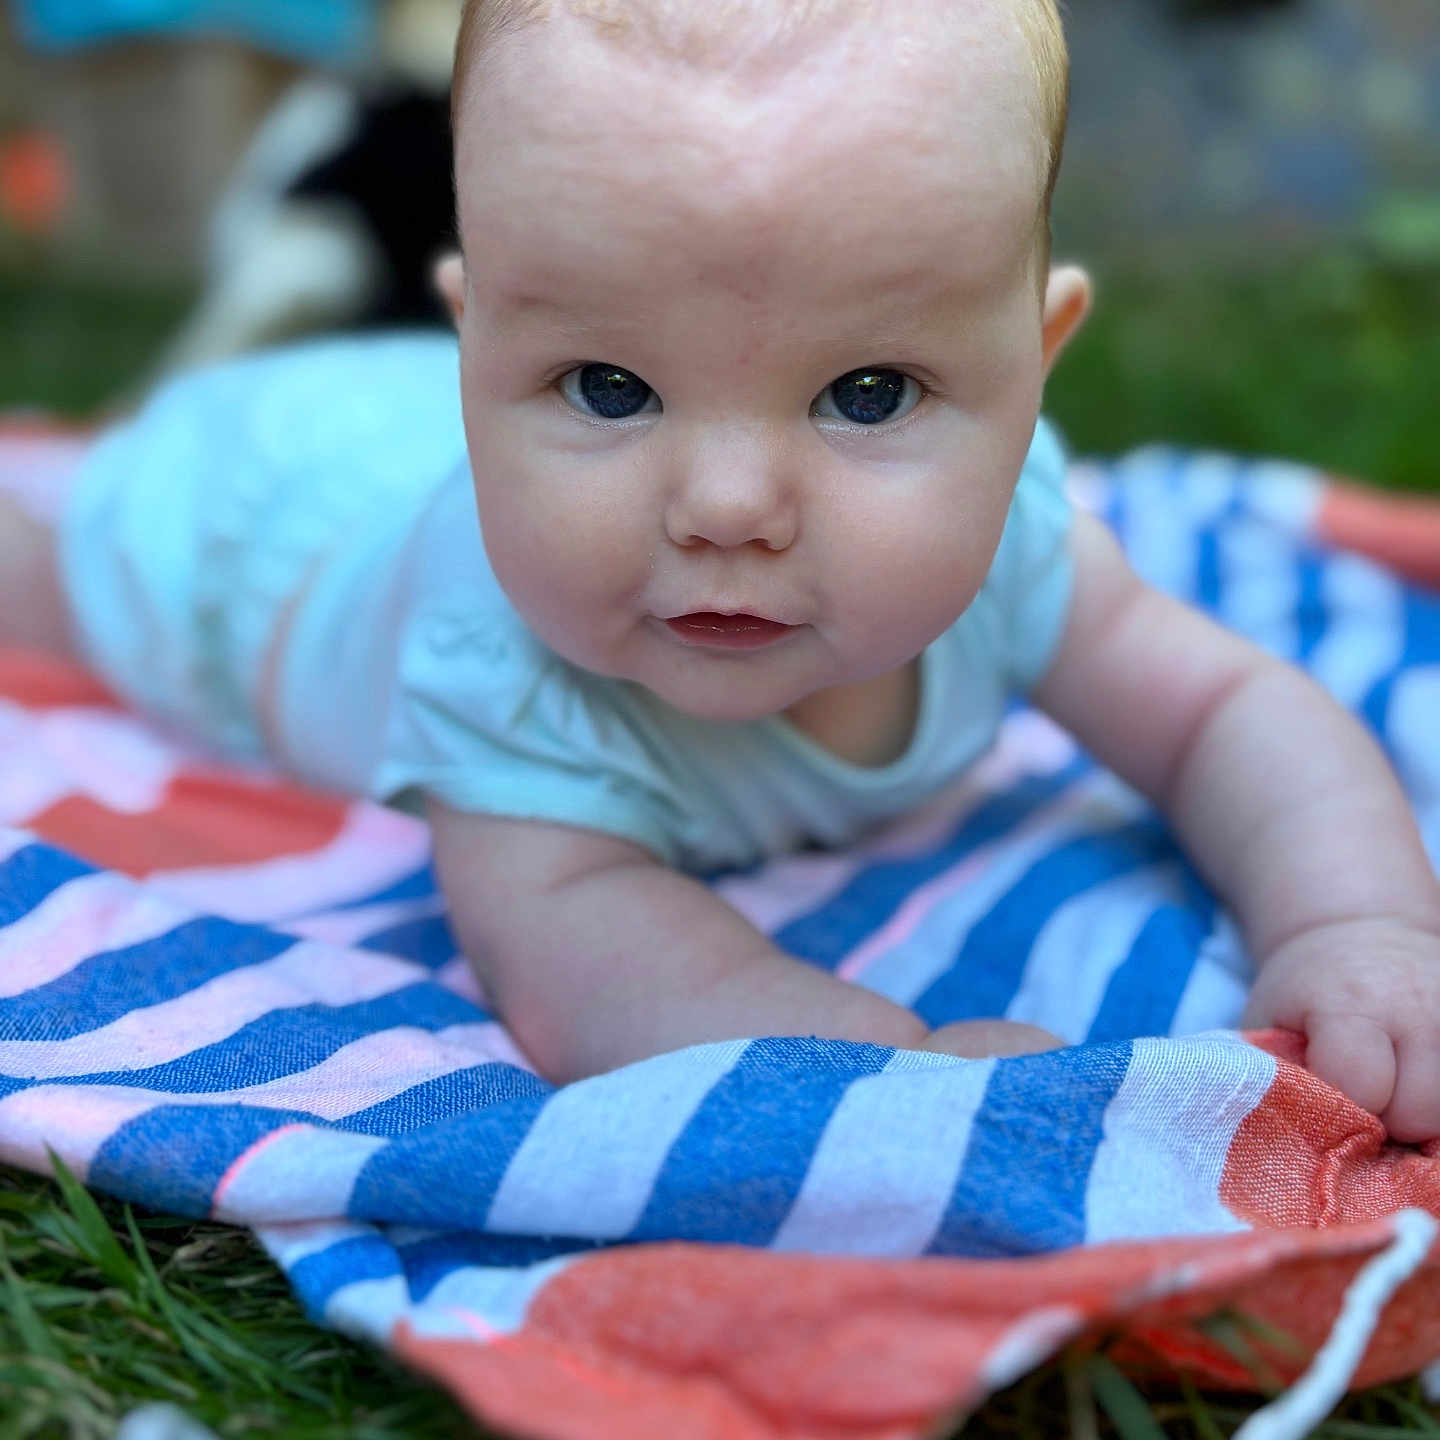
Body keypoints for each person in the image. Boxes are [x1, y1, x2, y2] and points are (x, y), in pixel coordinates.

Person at [2, 0, 1438, 1140]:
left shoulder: (1024, 547)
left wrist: (1356, 918)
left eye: (868, 392)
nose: (729, 505)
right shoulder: (500, 661)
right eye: (608, 386)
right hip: (240, 531)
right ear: (476, 353)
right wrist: (902, 1066)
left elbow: (1225, 712)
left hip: (376, 432)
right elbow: (582, 965)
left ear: (1033, 373)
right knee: (51, 572)